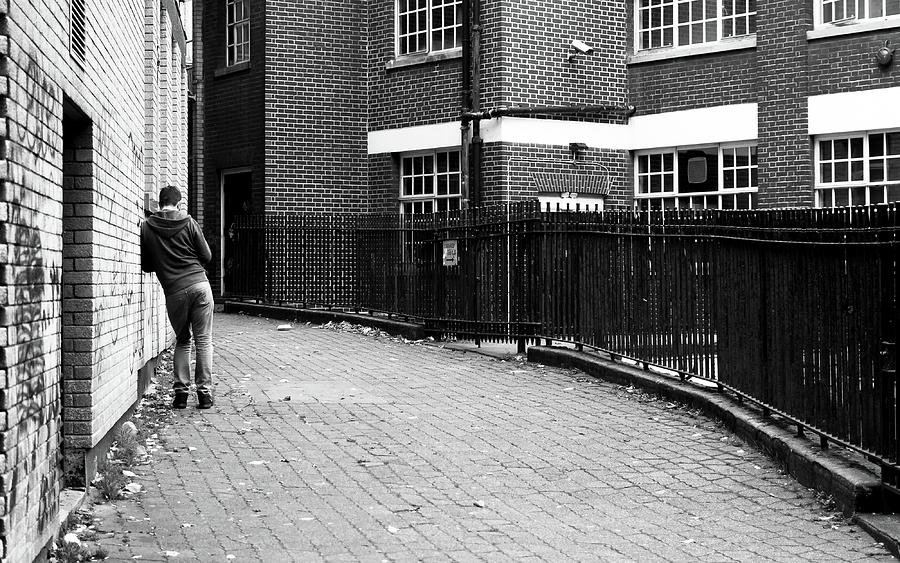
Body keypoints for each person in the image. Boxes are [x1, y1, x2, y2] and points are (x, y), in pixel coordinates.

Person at [141, 186, 215, 409]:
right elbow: (207, 256)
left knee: (183, 340)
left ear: (159, 204)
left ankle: (181, 395)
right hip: (200, 286)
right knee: (203, 341)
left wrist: (166, 262)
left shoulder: (146, 227)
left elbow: (146, 266)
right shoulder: (189, 222)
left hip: (174, 292)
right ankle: (204, 395)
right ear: (179, 204)